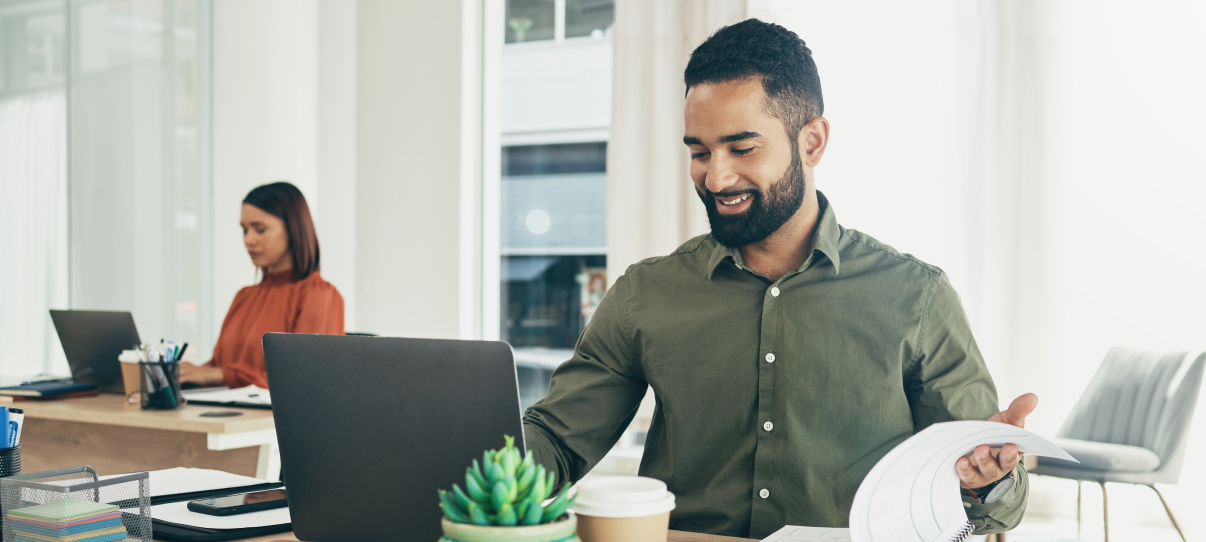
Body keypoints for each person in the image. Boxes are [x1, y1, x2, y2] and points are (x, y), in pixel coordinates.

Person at [522, 19, 1035, 538]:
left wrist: (987, 478)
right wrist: (470, 452)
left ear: (811, 142)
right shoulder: (645, 294)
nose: (716, 177)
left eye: (742, 149)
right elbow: (557, 442)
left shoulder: (916, 297)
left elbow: (997, 508)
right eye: (699, 152)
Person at [180, 182, 344, 389]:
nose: (249, 240)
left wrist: (218, 375)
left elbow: (306, 382)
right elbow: (219, 367)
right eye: (244, 230)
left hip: (272, 422)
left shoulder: (319, 295)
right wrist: (185, 375)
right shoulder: (244, 296)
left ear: (293, 229)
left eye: (260, 229)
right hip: (225, 416)